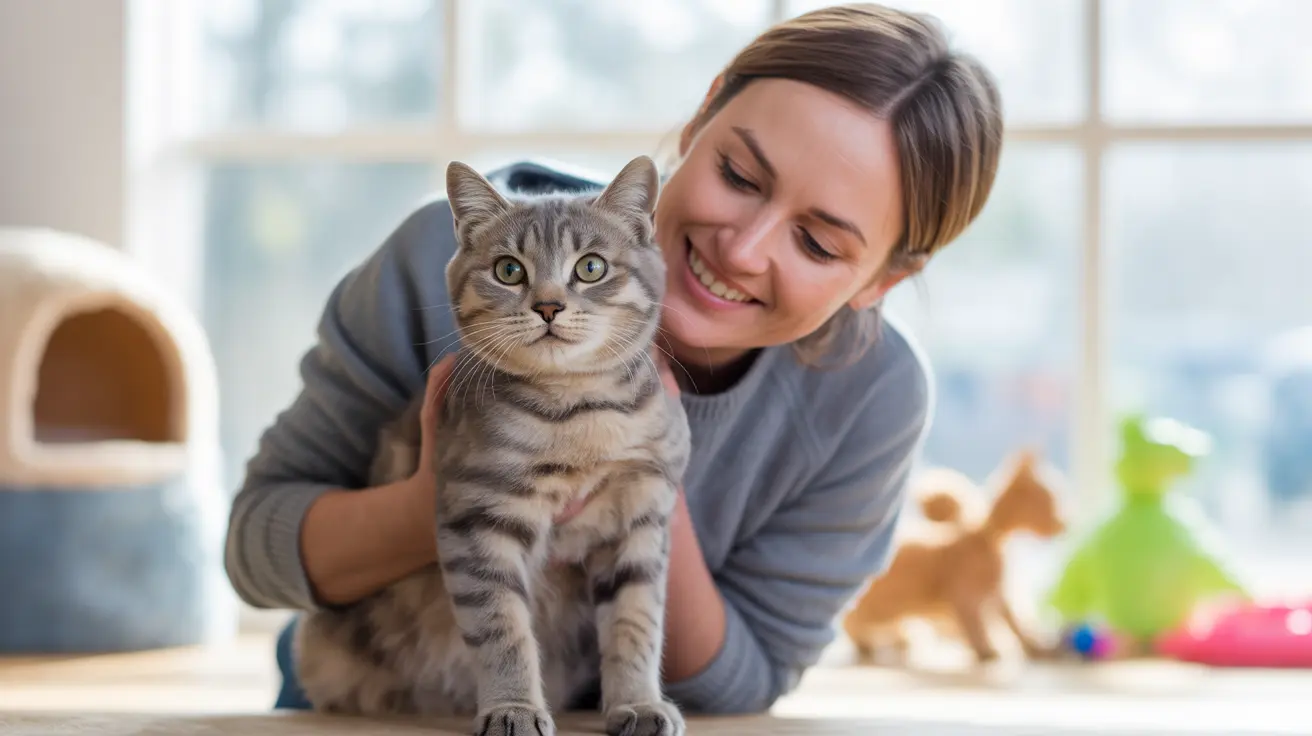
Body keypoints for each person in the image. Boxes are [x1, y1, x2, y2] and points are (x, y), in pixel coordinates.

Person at [224, 2, 1003, 716]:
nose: (743, 247)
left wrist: (648, 454)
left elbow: (746, 682)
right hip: (361, 707)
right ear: (700, 118)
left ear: (885, 280)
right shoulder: (446, 256)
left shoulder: (872, 397)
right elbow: (254, 551)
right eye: (738, 175)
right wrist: (442, 501)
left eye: (818, 242)